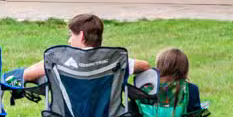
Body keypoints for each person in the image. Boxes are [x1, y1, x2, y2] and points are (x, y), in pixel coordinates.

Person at [21, 13, 151, 83]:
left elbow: (27, 75)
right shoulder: (114, 60)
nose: (69, 40)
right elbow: (145, 66)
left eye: (72, 35)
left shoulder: (62, 60)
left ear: (82, 36)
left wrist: (46, 62)